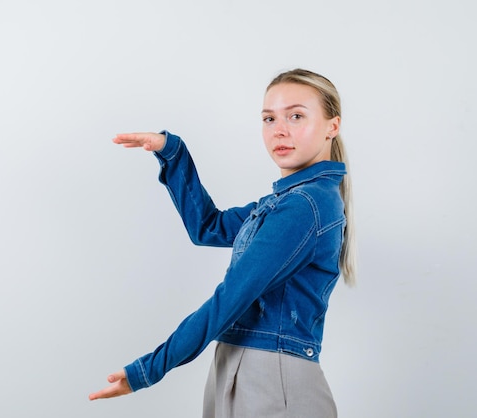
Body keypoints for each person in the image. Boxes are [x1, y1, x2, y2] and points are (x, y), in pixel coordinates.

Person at [89, 68, 356, 417]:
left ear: (331, 127)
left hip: (272, 377)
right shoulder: (285, 202)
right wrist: (173, 153)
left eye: (296, 116)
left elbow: (231, 297)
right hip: (243, 366)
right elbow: (209, 227)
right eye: (269, 118)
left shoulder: (304, 207)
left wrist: (148, 370)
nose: (280, 129)